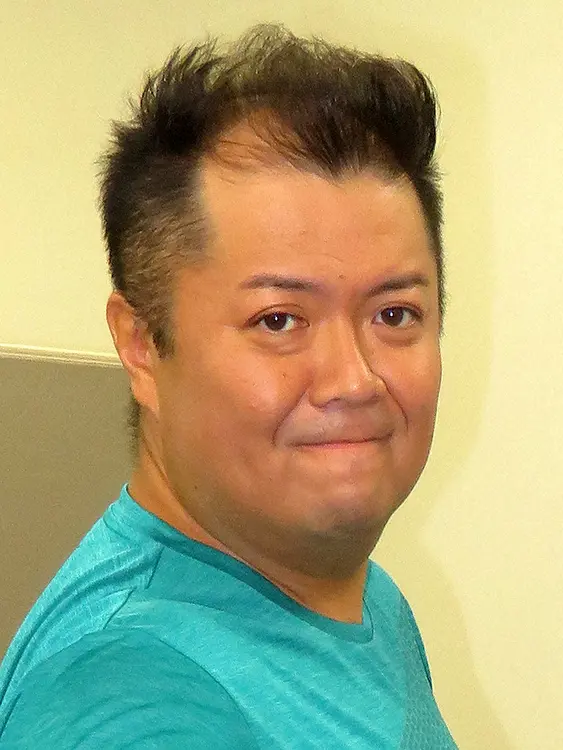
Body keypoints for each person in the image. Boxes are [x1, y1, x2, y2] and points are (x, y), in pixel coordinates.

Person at [0, 24, 457, 748]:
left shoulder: (361, 597)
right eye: (278, 320)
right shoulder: (131, 699)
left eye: (393, 314)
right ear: (142, 344)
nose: (353, 379)